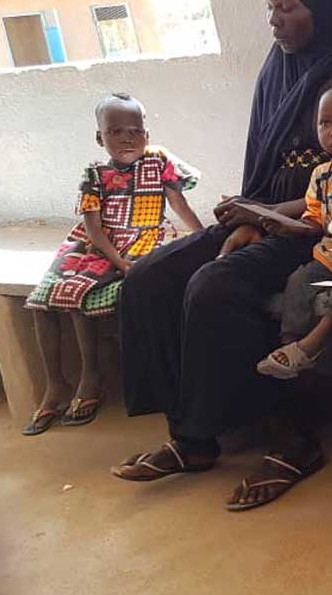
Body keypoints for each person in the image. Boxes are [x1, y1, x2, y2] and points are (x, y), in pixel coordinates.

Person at [110, 0, 332, 512]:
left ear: (322, 9)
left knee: (216, 286)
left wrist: (259, 221)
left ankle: (288, 440)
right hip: (261, 211)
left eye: (287, 6)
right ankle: (191, 433)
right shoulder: (276, 70)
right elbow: (259, 165)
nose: (275, 19)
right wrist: (244, 219)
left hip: (314, 225)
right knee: (148, 279)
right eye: (270, 8)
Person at [22, 93, 202, 435]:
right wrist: (118, 262)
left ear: (147, 135)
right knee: (44, 299)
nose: (126, 138)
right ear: (99, 137)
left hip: (143, 238)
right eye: (115, 131)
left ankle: (91, 377)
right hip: (99, 243)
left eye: (135, 130)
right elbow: (92, 227)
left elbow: (178, 204)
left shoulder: (158, 162)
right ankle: (55, 383)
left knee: (78, 297)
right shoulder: (94, 173)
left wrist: (206, 237)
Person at [254, 84, 332, 379]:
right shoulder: (321, 174)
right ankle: (291, 346)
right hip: (328, 255)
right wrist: (290, 227)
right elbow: (315, 219)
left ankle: (310, 341)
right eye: (326, 124)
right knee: (298, 281)